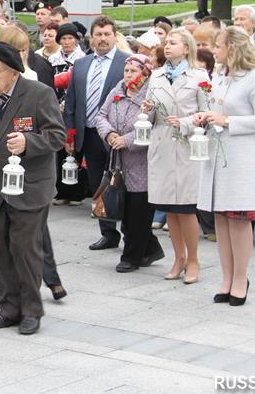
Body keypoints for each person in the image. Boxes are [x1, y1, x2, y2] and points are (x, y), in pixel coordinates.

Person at [0, 42, 65, 335]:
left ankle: (32, 310)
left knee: (25, 249)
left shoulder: (38, 94)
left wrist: (29, 142)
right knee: (2, 250)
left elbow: (57, 136)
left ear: (13, 73)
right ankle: (8, 307)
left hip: (30, 187)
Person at [192, 26, 255, 306]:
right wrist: (204, 117)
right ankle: (226, 278)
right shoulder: (219, 77)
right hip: (216, 155)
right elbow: (217, 108)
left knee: (239, 220)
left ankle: (241, 278)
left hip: (240, 158)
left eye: (219, 46)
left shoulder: (254, 78)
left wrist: (227, 121)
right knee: (221, 219)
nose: (214, 51)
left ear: (233, 47)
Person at [142, 29, 211, 281]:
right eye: (165, 42)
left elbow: (207, 113)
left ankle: (193, 260)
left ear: (186, 48)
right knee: (170, 207)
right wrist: (147, 110)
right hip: (162, 144)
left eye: (172, 43)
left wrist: (184, 122)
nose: (167, 46)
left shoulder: (199, 76)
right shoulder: (157, 75)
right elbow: (149, 115)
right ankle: (178, 257)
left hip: (186, 146)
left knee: (186, 208)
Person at [96, 54, 166, 273]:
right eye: (126, 71)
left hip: (141, 163)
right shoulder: (118, 89)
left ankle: (131, 256)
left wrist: (125, 140)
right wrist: (109, 135)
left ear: (145, 74)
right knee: (125, 210)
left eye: (133, 71)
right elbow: (101, 115)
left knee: (138, 212)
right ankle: (151, 249)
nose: (128, 75)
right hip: (118, 162)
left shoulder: (151, 97)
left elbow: (152, 127)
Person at [64, 16, 129, 250]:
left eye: (107, 34)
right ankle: (108, 232)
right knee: (96, 184)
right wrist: (69, 133)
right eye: (98, 34)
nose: (102, 39)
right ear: (91, 37)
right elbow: (72, 101)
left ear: (114, 36)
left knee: (121, 184)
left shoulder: (126, 62)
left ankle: (128, 232)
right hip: (89, 133)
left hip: (116, 135)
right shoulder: (81, 64)